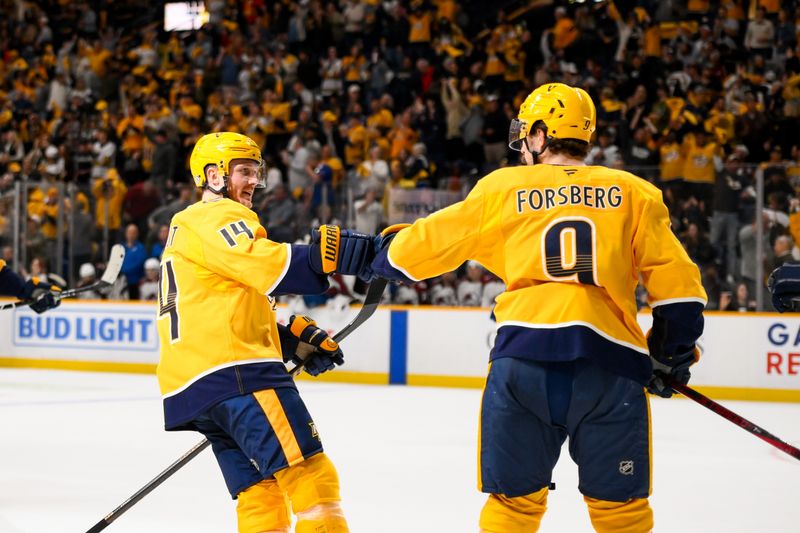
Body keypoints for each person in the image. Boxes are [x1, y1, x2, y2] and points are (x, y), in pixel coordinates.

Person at [369, 83, 707, 532]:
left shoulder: (504, 188)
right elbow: (680, 294)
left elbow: (422, 248)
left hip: (524, 362)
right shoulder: (635, 192)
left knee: (512, 508)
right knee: (621, 514)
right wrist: (669, 355)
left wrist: (376, 254)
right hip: (611, 368)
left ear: (541, 134)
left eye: (527, 134)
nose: (523, 145)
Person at [156, 132, 375, 533]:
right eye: (243, 171)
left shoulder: (184, 231)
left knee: (262, 493)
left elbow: (225, 298)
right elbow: (267, 265)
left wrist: (288, 335)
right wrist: (348, 255)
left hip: (194, 387)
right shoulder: (216, 216)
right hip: (238, 372)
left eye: (256, 172)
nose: (253, 181)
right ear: (213, 175)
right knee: (309, 475)